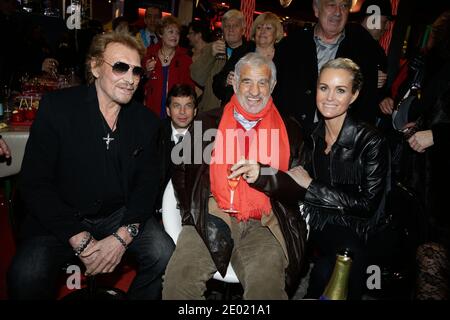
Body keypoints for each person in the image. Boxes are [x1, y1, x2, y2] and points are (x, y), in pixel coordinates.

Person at [7, 30, 175, 299]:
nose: (130, 79)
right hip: (62, 216)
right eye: (121, 67)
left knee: (164, 254)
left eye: (136, 72)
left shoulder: (146, 122)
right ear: (96, 67)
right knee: (26, 274)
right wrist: (78, 237)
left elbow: (146, 186)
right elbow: (34, 183)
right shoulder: (58, 108)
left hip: (117, 216)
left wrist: (122, 237)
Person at [162, 53, 307, 300]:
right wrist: (191, 212)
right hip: (212, 214)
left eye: (262, 82)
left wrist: (263, 175)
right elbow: (180, 167)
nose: (254, 91)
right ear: (235, 83)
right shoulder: (209, 121)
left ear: (272, 86)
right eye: (247, 81)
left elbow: (298, 189)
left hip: (264, 223)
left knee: (267, 294)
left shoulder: (290, 131)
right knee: (178, 287)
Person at [286, 58, 390, 299]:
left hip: (358, 228)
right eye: (324, 88)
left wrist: (312, 186)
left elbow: (367, 207)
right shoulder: (313, 135)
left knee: (333, 269)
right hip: (321, 222)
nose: (329, 97)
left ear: (353, 96)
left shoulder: (371, 141)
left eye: (340, 90)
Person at [273, 0, 381, 136]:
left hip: (340, 144)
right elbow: (275, 95)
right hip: (292, 139)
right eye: (331, 5)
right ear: (316, 9)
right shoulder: (290, 46)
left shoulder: (363, 50)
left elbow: (368, 103)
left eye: (344, 6)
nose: (338, 12)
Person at [213, 12, 284, 105]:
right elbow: (217, 82)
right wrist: (226, 80)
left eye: (268, 28)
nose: (262, 31)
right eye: (259, 28)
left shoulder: (284, 58)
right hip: (239, 109)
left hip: (271, 110)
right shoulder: (241, 52)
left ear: (276, 33)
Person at [190, 9, 248, 113]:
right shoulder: (210, 48)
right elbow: (196, 77)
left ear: (243, 30)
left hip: (238, 114)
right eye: (226, 26)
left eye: (235, 25)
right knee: (199, 129)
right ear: (222, 30)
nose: (230, 29)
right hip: (210, 111)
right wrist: (210, 55)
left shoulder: (251, 53)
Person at [155, 84, 198, 215]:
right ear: (168, 111)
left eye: (188, 106)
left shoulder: (205, 137)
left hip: (192, 209)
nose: (182, 112)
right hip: (157, 209)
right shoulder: (155, 134)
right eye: (177, 105)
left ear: (195, 111)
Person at [143, 15, 194, 118]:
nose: (175, 36)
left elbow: (189, 88)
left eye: (177, 33)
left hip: (176, 112)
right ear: (161, 34)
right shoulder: (150, 54)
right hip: (152, 110)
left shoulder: (185, 59)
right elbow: (141, 82)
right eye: (171, 32)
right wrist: (147, 72)